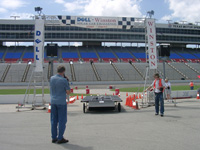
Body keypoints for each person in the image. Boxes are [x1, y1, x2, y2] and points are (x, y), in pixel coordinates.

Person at [50, 65, 70, 144]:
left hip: (53, 101)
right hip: (61, 102)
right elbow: (68, 92)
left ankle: (54, 137)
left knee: (53, 120)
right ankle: (60, 137)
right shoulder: (64, 80)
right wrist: (67, 82)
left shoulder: (52, 78)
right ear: (63, 71)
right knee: (62, 120)